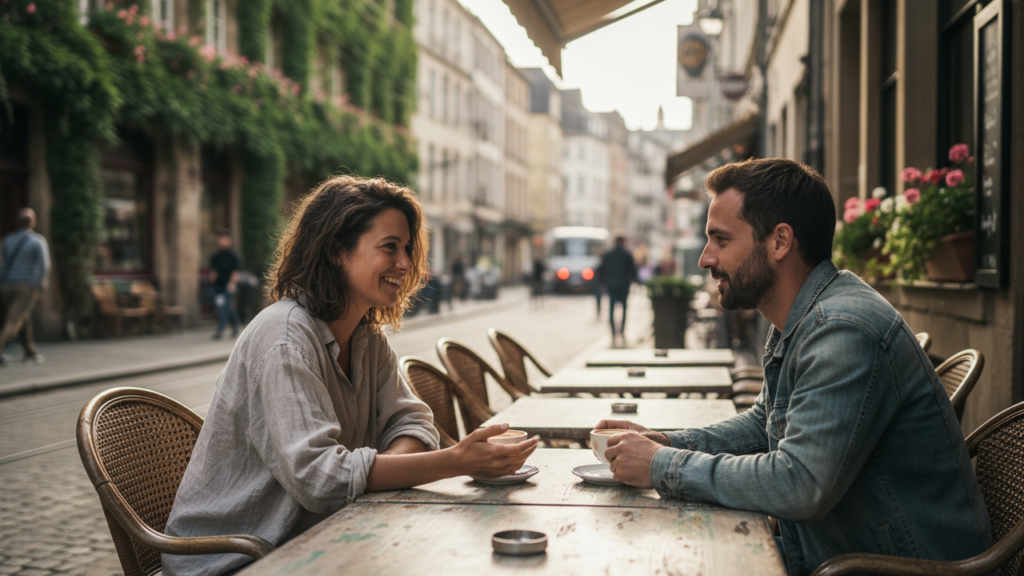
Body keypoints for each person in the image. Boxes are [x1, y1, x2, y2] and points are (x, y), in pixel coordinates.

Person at [596, 158, 991, 576]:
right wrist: (667, 441)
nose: (705, 259)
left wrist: (662, 464)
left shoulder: (842, 330)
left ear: (780, 241)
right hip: (839, 552)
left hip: (886, 566)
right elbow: (761, 425)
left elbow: (799, 483)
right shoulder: (806, 316)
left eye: (721, 240)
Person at [163, 176, 537, 576]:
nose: (407, 264)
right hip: (235, 559)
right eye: (389, 247)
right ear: (337, 250)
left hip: (320, 539)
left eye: (407, 249)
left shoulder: (365, 336)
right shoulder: (284, 338)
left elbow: (412, 421)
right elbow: (322, 479)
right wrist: (455, 461)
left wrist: (381, 473)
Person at [0, 208, 50, 365]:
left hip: (7, 285)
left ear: (17, 223)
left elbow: (3, 263)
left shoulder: (8, 239)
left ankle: (30, 352)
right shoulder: (37, 241)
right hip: (25, 286)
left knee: (24, 317)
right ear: (33, 222)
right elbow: (44, 266)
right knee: (13, 319)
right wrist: (38, 284)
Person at [596, 234, 637, 346]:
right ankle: (622, 332)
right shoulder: (626, 254)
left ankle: (614, 334)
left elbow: (601, 269)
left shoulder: (608, 254)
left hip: (611, 285)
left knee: (611, 310)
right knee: (623, 310)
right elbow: (633, 271)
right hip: (623, 286)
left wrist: (602, 283)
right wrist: (634, 282)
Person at [208, 230, 242, 339]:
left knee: (223, 307)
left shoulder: (233, 255)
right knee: (224, 307)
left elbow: (236, 272)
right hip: (219, 286)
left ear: (229, 240)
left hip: (229, 286)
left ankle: (221, 330)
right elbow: (213, 270)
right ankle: (236, 325)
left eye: (223, 239)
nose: (221, 242)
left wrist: (232, 284)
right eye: (219, 239)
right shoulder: (216, 255)